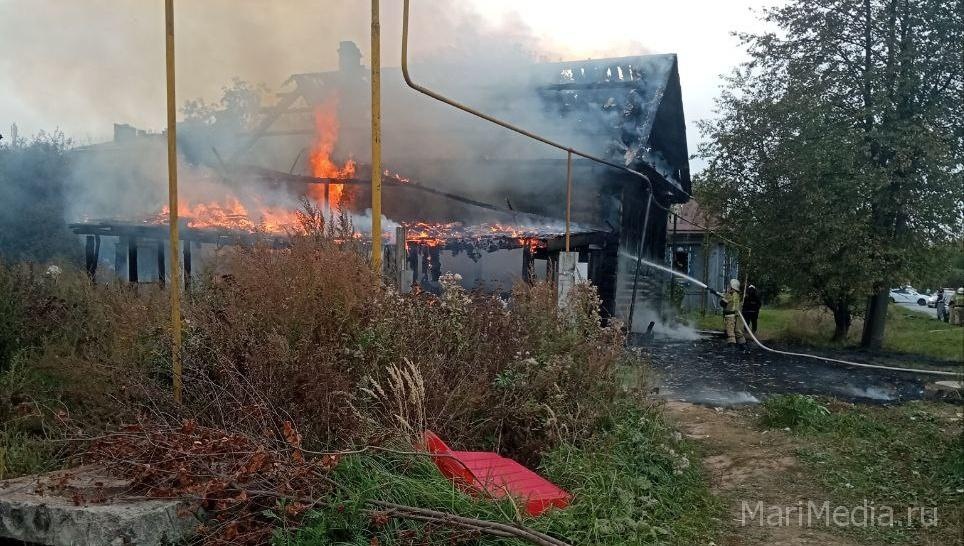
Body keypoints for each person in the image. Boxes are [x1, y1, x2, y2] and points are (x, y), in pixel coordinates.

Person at [721, 278, 746, 347]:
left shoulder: (729, 295)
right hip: (735, 316)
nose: (728, 288)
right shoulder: (737, 295)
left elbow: (722, 304)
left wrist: (723, 298)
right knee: (737, 331)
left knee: (730, 332)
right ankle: (743, 344)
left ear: (732, 287)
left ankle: (732, 348)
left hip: (729, 317)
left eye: (729, 286)